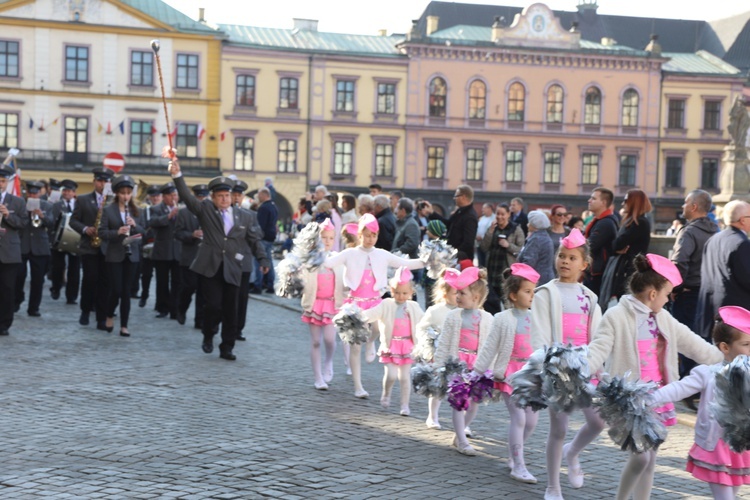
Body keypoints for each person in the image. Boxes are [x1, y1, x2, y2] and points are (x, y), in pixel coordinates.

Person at [587, 254, 723, 500]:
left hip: (658, 398)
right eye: (667, 294)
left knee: (650, 460)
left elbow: (693, 344)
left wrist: (727, 360)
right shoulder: (616, 316)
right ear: (652, 294)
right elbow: (597, 349)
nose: (668, 299)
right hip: (629, 400)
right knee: (642, 457)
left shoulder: (664, 318)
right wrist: (578, 368)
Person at [168, 157, 270, 361]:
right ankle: (208, 334)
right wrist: (177, 175)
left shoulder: (245, 216)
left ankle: (227, 346)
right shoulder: (205, 210)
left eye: (227, 195)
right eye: (220, 196)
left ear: (232, 197)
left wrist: (263, 260)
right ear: (212, 198)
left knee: (231, 309)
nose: (224, 199)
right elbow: (188, 198)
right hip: (210, 266)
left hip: (234, 268)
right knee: (213, 305)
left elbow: (254, 240)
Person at [531, 229, 604, 499]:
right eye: (562, 256)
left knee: (598, 423)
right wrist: (547, 365)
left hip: (586, 369)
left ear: (584, 265)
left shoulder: (590, 298)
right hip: (557, 371)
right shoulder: (545, 294)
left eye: (572, 258)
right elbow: (539, 334)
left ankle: (572, 453)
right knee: (559, 429)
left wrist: (599, 366)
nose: (565, 261)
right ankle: (553, 485)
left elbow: (598, 336)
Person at [652, 305, 750, 500]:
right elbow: (679, 389)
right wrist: (648, 398)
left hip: (740, 448)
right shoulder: (708, 373)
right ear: (725, 347)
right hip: (715, 448)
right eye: (747, 344)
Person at [323, 214, 424, 398]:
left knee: (376, 329)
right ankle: (358, 386)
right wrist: (316, 251)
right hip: (354, 304)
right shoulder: (350, 253)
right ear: (360, 234)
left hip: (376, 302)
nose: (371, 239)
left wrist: (429, 260)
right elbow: (329, 262)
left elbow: (405, 263)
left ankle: (370, 343)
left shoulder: (382, 254)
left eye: (374, 235)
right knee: (355, 347)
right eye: (367, 235)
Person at [474, 263, 540, 484]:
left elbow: (544, 345)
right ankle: (518, 465)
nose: (532, 296)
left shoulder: (537, 318)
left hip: (531, 377)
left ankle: (514, 451)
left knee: (531, 422)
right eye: (527, 291)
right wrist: (476, 371)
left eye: (533, 291)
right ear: (513, 295)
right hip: (509, 374)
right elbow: (490, 346)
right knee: (519, 418)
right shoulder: (502, 319)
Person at [433, 266, 493, 456]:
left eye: (462, 293)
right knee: (458, 402)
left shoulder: (488, 318)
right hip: (458, 363)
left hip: (477, 365)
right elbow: (443, 342)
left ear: (476, 297)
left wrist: (490, 367)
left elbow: (491, 345)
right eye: (457, 293)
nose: (457, 297)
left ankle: (459, 435)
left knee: (474, 403)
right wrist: (438, 366)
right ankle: (462, 440)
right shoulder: (453, 316)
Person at [670, 190, 716, 393]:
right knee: (703, 340)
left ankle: (689, 386)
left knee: (685, 340)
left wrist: (673, 288)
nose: (683, 206)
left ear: (694, 207)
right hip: (709, 294)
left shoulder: (688, 232)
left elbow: (680, 263)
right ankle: (703, 382)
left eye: (686, 202)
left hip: (688, 293)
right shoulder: (716, 231)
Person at [363, 267, 424, 416]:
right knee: (390, 375)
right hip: (391, 346)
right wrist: (357, 316)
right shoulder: (387, 304)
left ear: (411, 293)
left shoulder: (414, 307)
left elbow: (424, 322)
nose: (400, 296)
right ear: (391, 290)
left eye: (404, 293)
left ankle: (405, 405)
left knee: (404, 377)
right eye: (397, 292)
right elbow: (372, 314)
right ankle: (386, 393)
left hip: (407, 346)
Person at [300, 219, 344, 390]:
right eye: (323, 237)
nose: (327, 241)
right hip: (314, 304)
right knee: (316, 342)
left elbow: (345, 280)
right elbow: (301, 278)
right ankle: (318, 377)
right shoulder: (310, 260)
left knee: (330, 339)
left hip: (332, 305)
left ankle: (329, 362)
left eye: (330, 238)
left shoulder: (338, 259)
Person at [696, 200, 750, 341]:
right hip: (735, 316)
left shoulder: (713, 240)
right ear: (742, 220)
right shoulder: (742, 244)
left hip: (710, 311)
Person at [98, 175, 144, 337]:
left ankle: (124, 325)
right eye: (123, 193)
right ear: (117, 193)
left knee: (126, 292)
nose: (126, 196)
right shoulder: (108, 210)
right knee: (116, 289)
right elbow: (101, 232)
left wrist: (135, 225)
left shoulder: (137, 211)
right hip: (115, 254)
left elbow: (143, 232)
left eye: (128, 193)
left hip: (132, 255)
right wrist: (117, 232)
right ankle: (109, 314)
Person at [70, 166, 115, 330]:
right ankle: (85, 310)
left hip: (107, 247)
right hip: (89, 246)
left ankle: (101, 318)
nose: (102, 184)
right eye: (100, 180)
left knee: (105, 283)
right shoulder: (82, 199)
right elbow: (73, 221)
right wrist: (85, 229)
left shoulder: (114, 201)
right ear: (94, 181)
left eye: (106, 181)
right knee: (90, 279)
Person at [414, 270, 458, 429]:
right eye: (455, 293)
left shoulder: (463, 311)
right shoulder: (435, 311)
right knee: (437, 387)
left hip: (457, 356)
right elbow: (422, 328)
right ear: (445, 294)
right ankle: (432, 416)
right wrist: (429, 344)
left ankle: (462, 423)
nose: (458, 296)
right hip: (439, 355)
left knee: (459, 389)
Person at [600, 189, 652, 309]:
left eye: (626, 200)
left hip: (629, 271)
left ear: (634, 202)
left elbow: (618, 244)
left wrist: (615, 247)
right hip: (627, 269)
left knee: (626, 306)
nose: (623, 203)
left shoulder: (639, 222)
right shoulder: (634, 221)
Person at [16, 180, 53, 317]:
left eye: (35, 193)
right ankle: (17, 298)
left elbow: (52, 223)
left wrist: (41, 215)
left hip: (40, 247)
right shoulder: (21, 204)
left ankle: (33, 308)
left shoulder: (47, 206)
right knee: (18, 276)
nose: (33, 195)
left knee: (38, 280)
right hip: (22, 245)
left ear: (40, 193)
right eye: (30, 193)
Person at [481, 203, 525, 315]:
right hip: (492, 271)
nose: (500, 217)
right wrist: (490, 232)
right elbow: (484, 247)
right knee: (490, 302)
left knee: (507, 302)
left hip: (507, 273)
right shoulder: (492, 229)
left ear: (508, 215)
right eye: (498, 214)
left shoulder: (516, 229)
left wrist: (508, 245)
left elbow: (521, 250)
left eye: (503, 214)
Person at [174, 184, 208, 330]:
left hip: (205, 258)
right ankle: (181, 309)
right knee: (189, 287)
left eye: (203, 197)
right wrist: (191, 235)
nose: (201, 200)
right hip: (189, 256)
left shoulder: (211, 212)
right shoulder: (184, 213)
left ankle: (199, 320)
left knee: (202, 291)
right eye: (199, 197)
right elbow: (178, 233)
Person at [0, 165, 28, 336]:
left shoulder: (17, 202)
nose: (0, 184)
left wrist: (8, 215)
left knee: (8, 289)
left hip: (9, 253)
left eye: (2, 181)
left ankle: (4, 324)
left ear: (7, 183)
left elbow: (23, 224)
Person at [149, 182, 181, 319]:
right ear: (164, 196)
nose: (173, 198)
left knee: (177, 282)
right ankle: (162, 307)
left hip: (178, 251)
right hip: (162, 250)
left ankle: (175, 309)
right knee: (162, 281)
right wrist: (168, 216)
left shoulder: (182, 209)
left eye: (175, 195)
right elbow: (153, 223)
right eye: (170, 195)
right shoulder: (156, 209)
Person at [234, 181, 261, 341]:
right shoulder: (223, 213)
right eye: (234, 195)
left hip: (244, 262)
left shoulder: (251, 215)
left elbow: (259, 234)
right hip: (226, 262)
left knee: (242, 298)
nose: (236, 198)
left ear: (243, 196)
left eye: (239, 195)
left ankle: (238, 329)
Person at [427, 184, 479, 261]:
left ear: (463, 197)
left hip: (460, 258)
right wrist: (432, 213)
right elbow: (448, 224)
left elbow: (468, 243)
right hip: (452, 255)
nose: (454, 198)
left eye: (456, 196)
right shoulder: (460, 211)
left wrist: (452, 253)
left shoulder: (470, 216)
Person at [49, 179, 80, 305]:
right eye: (65, 191)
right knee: (57, 267)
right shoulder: (56, 205)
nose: (66, 193)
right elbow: (52, 222)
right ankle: (56, 287)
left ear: (74, 193)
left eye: (69, 191)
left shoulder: (79, 204)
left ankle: (71, 297)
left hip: (76, 241)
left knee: (75, 270)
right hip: (58, 241)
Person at [583, 187, 618, 296]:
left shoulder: (605, 223)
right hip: (595, 272)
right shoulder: (603, 221)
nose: (589, 200)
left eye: (593, 198)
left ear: (603, 203)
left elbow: (589, 245)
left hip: (598, 274)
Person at [137, 185, 162, 308]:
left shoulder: (165, 210)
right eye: (153, 196)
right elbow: (141, 226)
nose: (155, 198)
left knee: (161, 276)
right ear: (149, 197)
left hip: (161, 246)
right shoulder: (144, 210)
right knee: (146, 274)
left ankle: (159, 302)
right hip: (147, 245)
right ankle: (144, 295)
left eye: (157, 196)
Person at [517, 209, 555, 286]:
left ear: (535, 225)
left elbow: (529, 262)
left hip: (537, 281)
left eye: (529, 223)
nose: (527, 225)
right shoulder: (545, 236)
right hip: (545, 279)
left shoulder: (536, 239)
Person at [253, 186, 278, 294]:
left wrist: (256, 237)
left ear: (264, 194)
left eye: (259, 194)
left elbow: (260, 225)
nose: (258, 197)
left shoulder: (263, 207)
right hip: (271, 237)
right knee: (269, 261)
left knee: (259, 261)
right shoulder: (274, 206)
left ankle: (257, 285)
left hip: (263, 238)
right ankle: (270, 285)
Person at [421, 220, 447, 310]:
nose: (426, 231)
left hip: (431, 279)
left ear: (434, 231)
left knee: (430, 301)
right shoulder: (445, 245)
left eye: (428, 230)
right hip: (438, 278)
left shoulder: (434, 246)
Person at [476, 203, 495, 267]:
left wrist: (482, 237)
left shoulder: (494, 218)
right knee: (480, 262)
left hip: (488, 244)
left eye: (484, 208)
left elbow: (491, 230)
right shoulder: (482, 218)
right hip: (479, 243)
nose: (482, 210)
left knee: (486, 262)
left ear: (489, 208)